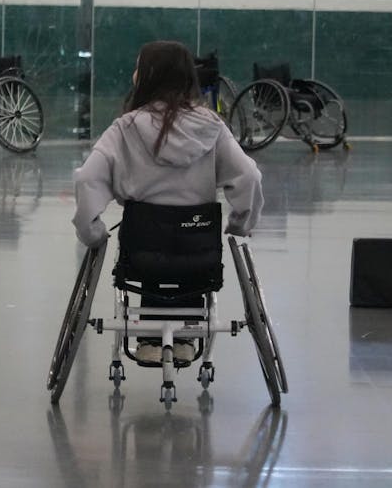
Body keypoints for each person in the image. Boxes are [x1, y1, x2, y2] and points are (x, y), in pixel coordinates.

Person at [72, 40, 263, 362]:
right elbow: (250, 177)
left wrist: (91, 230)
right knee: (187, 250)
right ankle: (186, 337)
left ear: (145, 77)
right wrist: (240, 222)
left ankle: (149, 339)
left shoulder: (126, 128)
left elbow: (87, 178)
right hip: (199, 247)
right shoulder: (212, 127)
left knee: (150, 249)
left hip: (141, 248)